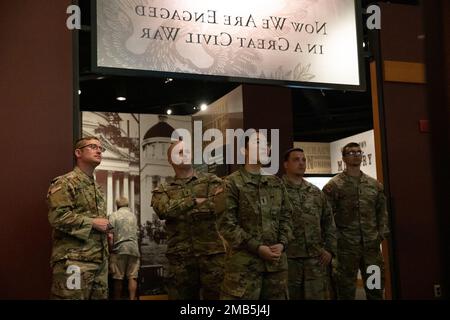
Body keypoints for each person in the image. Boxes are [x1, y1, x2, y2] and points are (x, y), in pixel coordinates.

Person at [216, 132, 293, 300]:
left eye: (267, 144)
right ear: (244, 150)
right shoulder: (231, 183)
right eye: (258, 142)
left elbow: (287, 217)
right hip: (244, 270)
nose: (265, 147)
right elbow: (226, 224)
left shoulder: (276, 182)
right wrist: (257, 248)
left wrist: (282, 243)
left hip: (276, 269)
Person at [151, 140, 225, 300]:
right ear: (170, 159)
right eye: (180, 152)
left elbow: (222, 205)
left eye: (188, 151)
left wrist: (181, 205)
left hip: (212, 256)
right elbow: (164, 210)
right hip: (181, 259)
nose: (185, 154)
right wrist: (194, 200)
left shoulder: (212, 181)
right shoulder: (162, 189)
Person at [322, 142, 389, 300]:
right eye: (351, 153)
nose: (356, 155)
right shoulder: (334, 186)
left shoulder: (374, 185)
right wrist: (331, 242)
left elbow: (382, 212)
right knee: (345, 292)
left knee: (375, 290)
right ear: (344, 158)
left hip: (371, 250)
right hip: (345, 250)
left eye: (358, 152)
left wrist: (380, 235)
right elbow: (325, 217)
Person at [47, 136, 110, 299]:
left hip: (99, 262)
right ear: (78, 153)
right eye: (92, 146)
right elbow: (57, 216)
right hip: (74, 262)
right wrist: (93, 223)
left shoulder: (96, 187)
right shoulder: (65, 182)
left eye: (100, 148)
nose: (98, 150)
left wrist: (107, 232)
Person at [282, 148, 337, 300]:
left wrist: (330, 250)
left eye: (303, 160)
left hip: (315, 259)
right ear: (286, 164)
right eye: (296, 159)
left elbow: (328, 222)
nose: (301, 163)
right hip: (288, 260)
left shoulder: (315, 192)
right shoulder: (277, 190)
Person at [108, 196, 140, 300]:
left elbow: (110, 235)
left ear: (117, 205)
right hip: (134, 249)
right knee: (132, 277)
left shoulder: (114, 215)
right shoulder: (133, 216)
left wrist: (110, 249)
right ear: (127, 204)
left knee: (118, 279)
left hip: (119, 249)